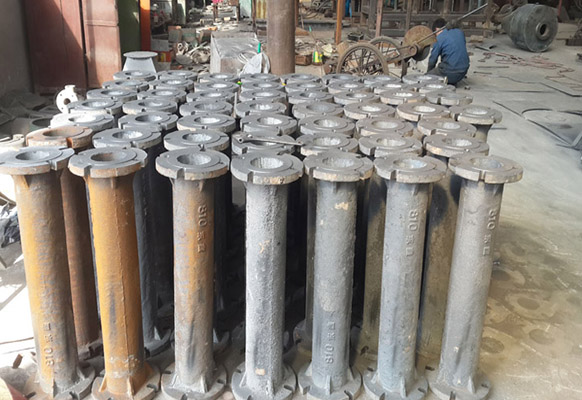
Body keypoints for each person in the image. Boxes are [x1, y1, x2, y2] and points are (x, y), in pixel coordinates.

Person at [427, 18, 470, 85]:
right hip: (463, 72)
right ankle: (451, 81)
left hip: (449, 73)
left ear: (437, 29)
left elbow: (432, 60)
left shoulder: (439, 38)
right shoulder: (460, 32)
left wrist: (429, 74)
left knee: (427, 77)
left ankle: (449, 79)